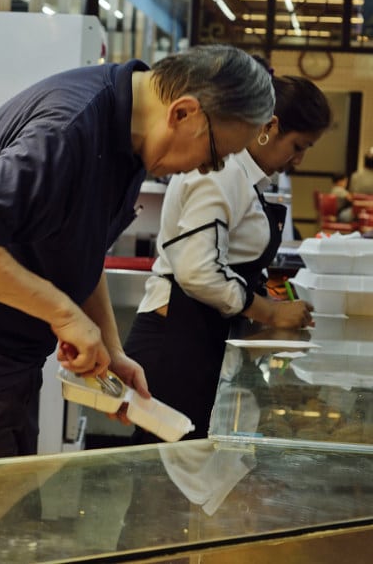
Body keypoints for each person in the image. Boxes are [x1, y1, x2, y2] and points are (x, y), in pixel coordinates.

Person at [0, 44, 276, 466]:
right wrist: (64, 315)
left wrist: (111, 347)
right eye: (214, 154)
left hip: (10, 354)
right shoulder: (67, 128)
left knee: (5, 512)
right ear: (183, 112)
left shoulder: (132, 139)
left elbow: (82, 246)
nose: (206, 170)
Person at [122, 73, 328, 445]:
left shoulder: (245, 178)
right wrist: (268, 311)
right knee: (162, 486)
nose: (298, 159)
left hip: (198, 338)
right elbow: (198, 272)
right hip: (174, 344)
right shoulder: (221, 173)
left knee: (183, 482)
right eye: (299, 146)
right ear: (271, 126)